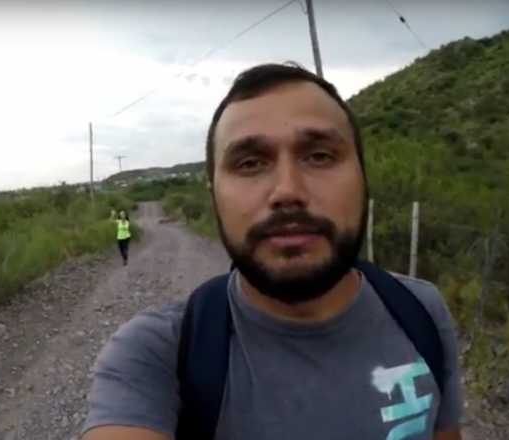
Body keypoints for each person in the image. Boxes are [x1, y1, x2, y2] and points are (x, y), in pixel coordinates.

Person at [83, 63, 463, 440]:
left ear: (363, 178)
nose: (287, 191)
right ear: (213, 193)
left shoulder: (421, 310)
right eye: (250, 163)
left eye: (320, 156)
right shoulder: (156, 354)